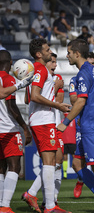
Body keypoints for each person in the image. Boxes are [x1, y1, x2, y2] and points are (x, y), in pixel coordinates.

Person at [57, 39, 94, 213]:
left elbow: (80, 101)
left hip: (91, 125)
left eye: (69, 52)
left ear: (77, 53)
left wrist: (65, 122)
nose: (67, 55)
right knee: (78, 163)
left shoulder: (84, 73)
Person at [21, 38, 71, 213]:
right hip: (44, 120)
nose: (50, 52)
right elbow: (34, 96)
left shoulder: (37, 70)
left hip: (40, 119)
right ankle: (49, 206)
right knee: (51, 163)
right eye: (47, 49)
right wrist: (57, 104)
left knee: (51, 162)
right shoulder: (41, 69)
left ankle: (42, 199)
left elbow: (29, 97)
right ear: (38, 54)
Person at [0, 50, 32, 213]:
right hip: (8, 129)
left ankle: (0, 204)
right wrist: (25, 127)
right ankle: (5, 205)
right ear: (11, 63)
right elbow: (11, 107)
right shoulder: (7, 79)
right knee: (14, 166)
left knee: (0, 167)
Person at [68, 53, 94, 202]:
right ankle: (84, 181)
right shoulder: (75, 79)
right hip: (83, 125)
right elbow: (74, 98)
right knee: (77, 164)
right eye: (90, 63)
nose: (92, 66)